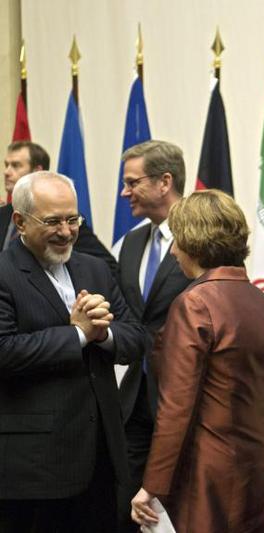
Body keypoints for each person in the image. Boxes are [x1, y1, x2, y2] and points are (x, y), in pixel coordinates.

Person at [0, 171, 146, 532]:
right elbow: (4, 351)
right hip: (34, 467)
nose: (66, 232)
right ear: (20, 221)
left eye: (72, 219)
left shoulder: (93, 268)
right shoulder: (4, 273)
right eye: (52, 221)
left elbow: (136, 337)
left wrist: (102, 334)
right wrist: (77, 334)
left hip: (101, 455)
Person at [131, 190, 264, 533]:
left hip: (207, 470)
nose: (172, 250)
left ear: (194, 242)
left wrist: (152, 486)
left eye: (178, 240)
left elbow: (175, 407)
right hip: (257, 464)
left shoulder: (195, 304)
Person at [115, 140, 192, 532]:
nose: (124, 192)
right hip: (134, 400)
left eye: (132, 182)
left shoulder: (200, 237)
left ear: (165, 182)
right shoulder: (129, 243)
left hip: (185, 399)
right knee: (129, 507)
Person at [2, 141, 118, 273]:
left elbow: (107, 267)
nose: (6, 172)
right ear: (19, 221)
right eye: (6, 165)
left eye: (15, 166)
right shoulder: (3, 214)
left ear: (37, 171)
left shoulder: (66, 221)